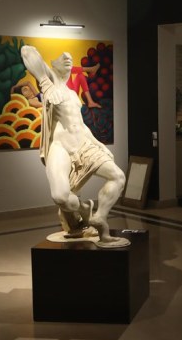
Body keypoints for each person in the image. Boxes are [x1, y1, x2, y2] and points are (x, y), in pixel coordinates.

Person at [20, 45, 128, 247]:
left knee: (118, 177)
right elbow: (27, 51)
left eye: (69, 57)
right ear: (53, 65)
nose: (67, 57)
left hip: (84, 145)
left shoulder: (71, 93)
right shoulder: (50, 80)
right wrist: (45, 83)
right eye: (62, 57)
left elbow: (80, 125)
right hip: (61, 147)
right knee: (60, 197)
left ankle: (99, 217)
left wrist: (99, 144)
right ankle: (83, 209)